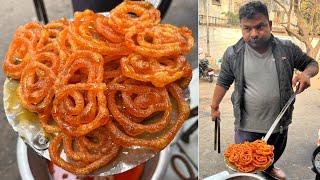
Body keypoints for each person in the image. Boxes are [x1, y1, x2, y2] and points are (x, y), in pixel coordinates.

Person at [210, 1, 319, 179]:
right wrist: (214, 107)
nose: (253, 34)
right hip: (246, 126)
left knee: (270, 156)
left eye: (259, 27)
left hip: (278, 122)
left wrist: (306, 74)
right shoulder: (233, 53)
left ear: (269, 25)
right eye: (247, 28)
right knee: (246, 162)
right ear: (241, 28)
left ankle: (269, 168)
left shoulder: (287, 48)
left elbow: (312, 64)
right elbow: (223, 81)